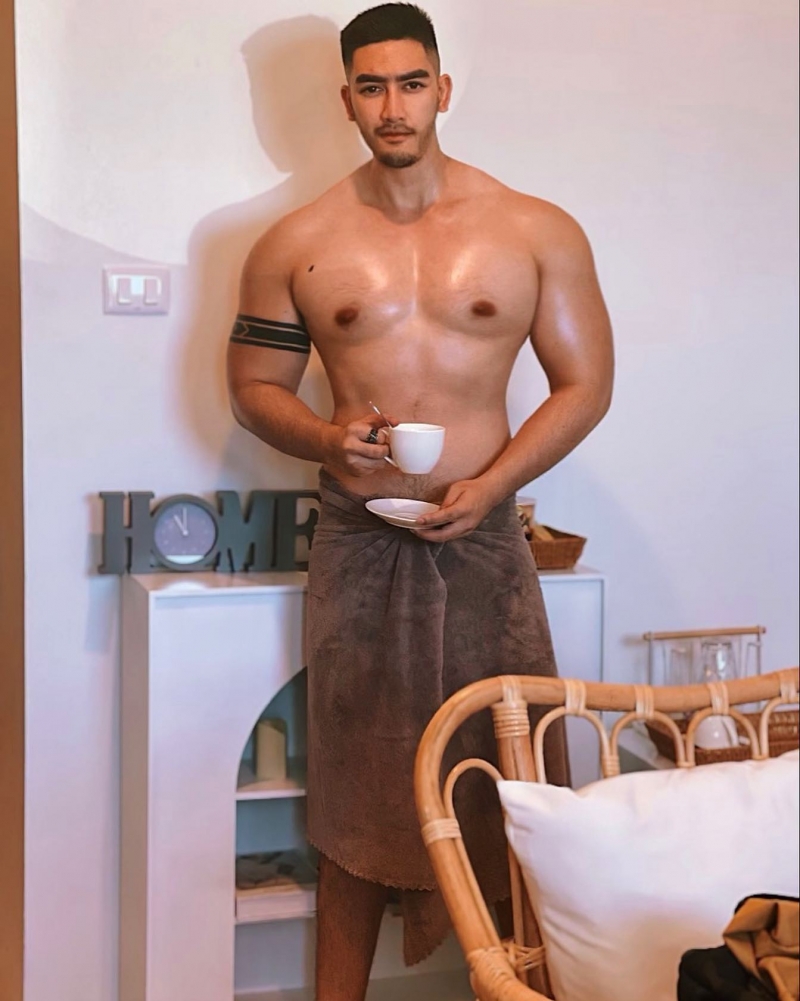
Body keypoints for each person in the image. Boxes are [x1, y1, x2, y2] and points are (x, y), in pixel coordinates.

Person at [227, 4, 614, 999]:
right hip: (357, 539)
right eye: (371, 86)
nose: (392, 106)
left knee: (517, 777)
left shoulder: (533, 228)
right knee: (357, 784)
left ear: (441, 90)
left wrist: (494, 485)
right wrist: (326, 440)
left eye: (409, 83)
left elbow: (584, 384)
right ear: (346, 99)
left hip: (487, 537)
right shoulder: (295, 242)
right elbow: (253, 388)